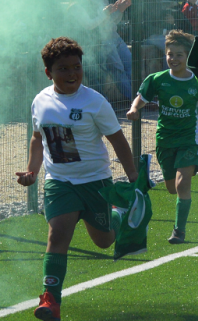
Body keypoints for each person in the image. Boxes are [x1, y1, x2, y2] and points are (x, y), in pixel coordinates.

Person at [17, 37, 138, 321]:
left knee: (105, 242)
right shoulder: (40, 101)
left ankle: (117, 216)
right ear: (48, 72)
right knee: (57, 234)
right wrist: (32, 170)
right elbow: (38, 138)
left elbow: (117, 139)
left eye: (77, 67)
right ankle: (51, 301)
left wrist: (131, 172)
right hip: (59, 182)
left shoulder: (94, 101)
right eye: (63, 69)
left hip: (95, 181)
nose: (72, 74)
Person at [126, 31, 198, 243]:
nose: (173, 59)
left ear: (187, 56)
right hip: (165, 137)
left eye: (179, 55)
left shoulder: (196, 81)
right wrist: (133, 109)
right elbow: (141, 98)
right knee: (171, 188)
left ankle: (179, 231)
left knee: (182, 183)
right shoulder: (157, 79)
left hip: (189, 138)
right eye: (170, 54)